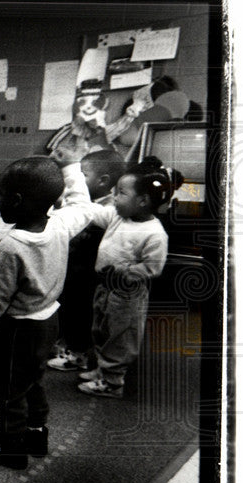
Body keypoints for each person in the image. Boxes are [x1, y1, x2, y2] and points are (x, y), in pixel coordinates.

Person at [0, 155, 96, 469]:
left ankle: (9, 444)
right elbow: (82, 206)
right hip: (49, 320)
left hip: (17, 329)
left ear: (17, 200)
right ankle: (36, 433)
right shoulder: (60, 224)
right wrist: (72, 170)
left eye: (2, 195)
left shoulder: (8, 248)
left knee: (10, 386)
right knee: (34, 379)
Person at [74, 156, 177, 398]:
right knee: (101, 329)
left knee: (121, 336)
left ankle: (113, 381)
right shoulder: (118, 216)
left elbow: (153, 268)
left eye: (121, 193)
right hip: (105, 287)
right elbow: (94, 212)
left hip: (127, 293)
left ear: (142, 201)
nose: (114, 197)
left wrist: (124, 272)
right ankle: (102, 369)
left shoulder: (154, 233)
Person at [48, 148, 127, 372]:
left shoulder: (109, 208)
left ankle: (78, 354)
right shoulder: (89, 202)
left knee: (81, 313)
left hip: (88, 274)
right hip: (74, 269)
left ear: (103, 181)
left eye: (84, 175)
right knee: (68, 309)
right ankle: (67, 345)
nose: (79, 181)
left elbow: (85, 217)